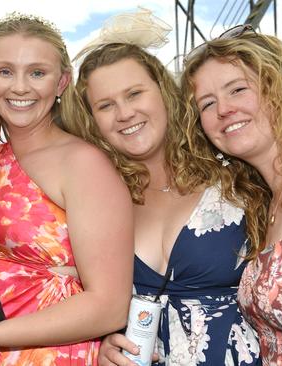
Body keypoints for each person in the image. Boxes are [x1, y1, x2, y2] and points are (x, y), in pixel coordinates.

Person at [0, 12, 134, 365]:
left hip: (48, 355)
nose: (19, 87)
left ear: (62, 82)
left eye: (37, 72)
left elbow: (110, 307)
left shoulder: (84, 164)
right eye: (5, 71)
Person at [72, 10, 264, 366]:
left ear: (163, 92)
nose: (125, 113)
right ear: (92, 121)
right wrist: (102, 346)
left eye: (134, 93)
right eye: (106, 105)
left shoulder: (239, 175)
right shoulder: (96, 202)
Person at [181, 24, 282, 365]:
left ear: (281, 90)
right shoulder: (263, 205)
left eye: (238, 89)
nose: (224, 109)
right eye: (207, 103)